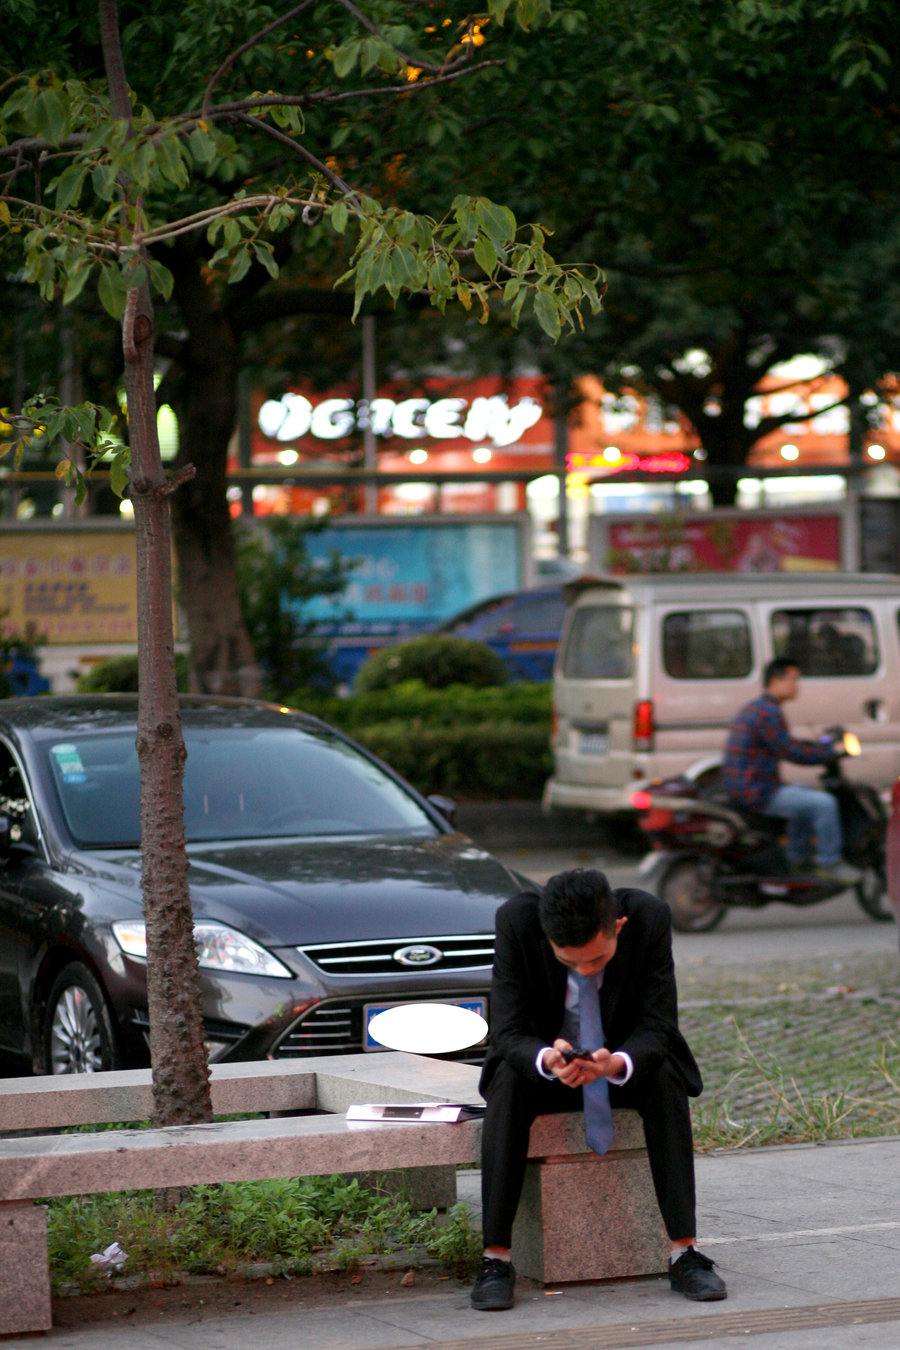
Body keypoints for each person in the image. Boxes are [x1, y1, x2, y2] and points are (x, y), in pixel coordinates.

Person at [471, 868, 726, 1312]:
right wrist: (548, 1059)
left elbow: (659, 1025)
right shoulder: (516, 921)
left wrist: (614, 1063)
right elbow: (508, 1032)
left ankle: (684, 1252)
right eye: (569, 962)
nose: (585, 970)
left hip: (621, 1062)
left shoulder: (648, 917)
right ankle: (495, 1258)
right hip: (549, 1068)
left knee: (666, 1079)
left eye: (597, 959)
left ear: (618, 927)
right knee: (508, 1084)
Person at [720, 657, 860, 884]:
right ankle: (830, 862)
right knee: (824, 803)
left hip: (747, 788)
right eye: (793, 679)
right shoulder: (769, 713)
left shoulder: (756, 708)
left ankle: (796, 857)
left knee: (804, 794)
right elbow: (790, 751)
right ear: (776, 680)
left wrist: (816, 746)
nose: (797, 686)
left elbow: (786, 743)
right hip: (758, 793)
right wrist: (831, 753)